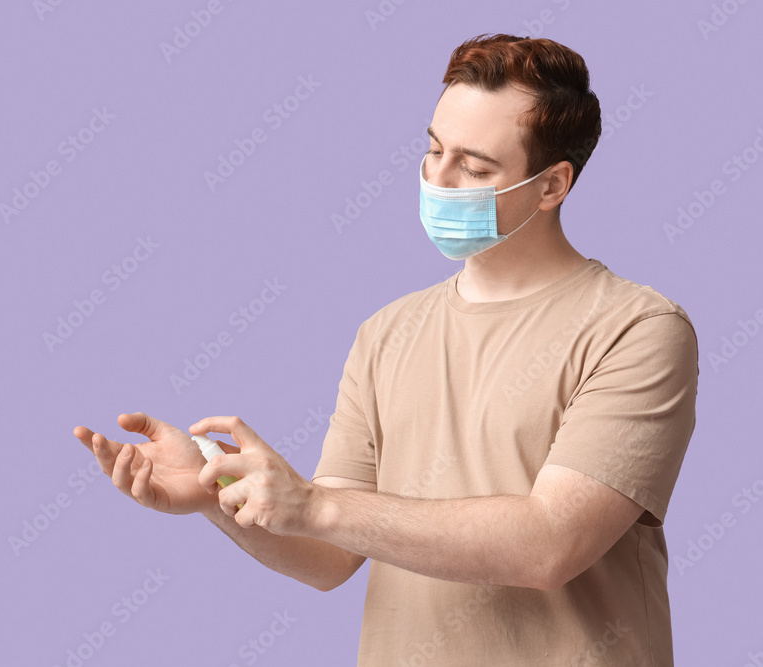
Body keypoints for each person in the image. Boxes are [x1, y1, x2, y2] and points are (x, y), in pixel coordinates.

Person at [74, 34, 698, 666]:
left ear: (552, 185)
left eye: (476, 168)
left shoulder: (637, 329)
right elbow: (330, 556)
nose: (439, 179)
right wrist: (220, 492)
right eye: (433, 150)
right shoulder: (387, 333)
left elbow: (550, 545)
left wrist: (316, 504)